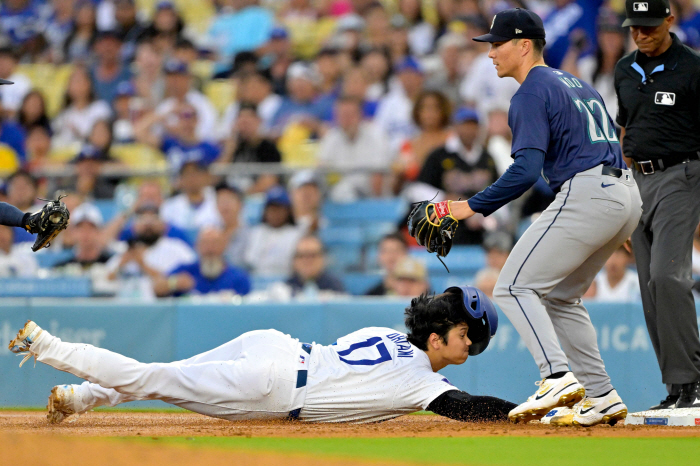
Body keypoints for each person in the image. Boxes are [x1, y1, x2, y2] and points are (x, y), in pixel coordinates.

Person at [421, 9, 642, 427]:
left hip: (589, 192)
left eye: (497, 44)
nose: (490, 54)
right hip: (623, 193)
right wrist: (620, 219)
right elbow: (612, 148)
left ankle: (555, 376)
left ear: (524, 45)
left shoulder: (529, 92)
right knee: (560, 297)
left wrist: (468, 206)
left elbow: (524, 171)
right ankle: (602, 395)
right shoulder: (579, 84)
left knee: (512, 287)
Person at [8, 286, 516, 425]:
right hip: (275, 386)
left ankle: (77, 399)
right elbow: (469, 407)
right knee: (154, 379)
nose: (471, 344)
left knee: (174, 372)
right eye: (468, 334)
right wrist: (526, 411)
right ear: (438, 336)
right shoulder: (422, 383)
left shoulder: (389, 334)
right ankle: (50, 346)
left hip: (274, 345)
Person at [615, 0, 700, 409]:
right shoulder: (624, 70)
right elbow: (625, 130)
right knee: (650, 288)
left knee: (668, 277)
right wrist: (621, 197)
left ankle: (693, 381)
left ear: (670, 19)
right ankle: (676, 389)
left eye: (649, 26)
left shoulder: (693, 67)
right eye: (634, 26)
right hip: (636, 183)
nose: (640, 34)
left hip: (681, 176)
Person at [153, 227, 251, 298]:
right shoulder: (185, 270)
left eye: (215, 243)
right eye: (205, 243)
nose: (210, 248)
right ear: (197, 246)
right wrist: (174, 283)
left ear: (224, 246)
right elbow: (157, 288)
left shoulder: (238, 277)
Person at [244, 186, 306, 277]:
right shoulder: (256, 232)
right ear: (265, 211)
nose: (275, 213)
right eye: (272, 209)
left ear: (288, 212)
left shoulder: (297, 234)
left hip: (287, 279)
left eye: (280, 209)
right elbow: (250, 261)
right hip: (258, 279)